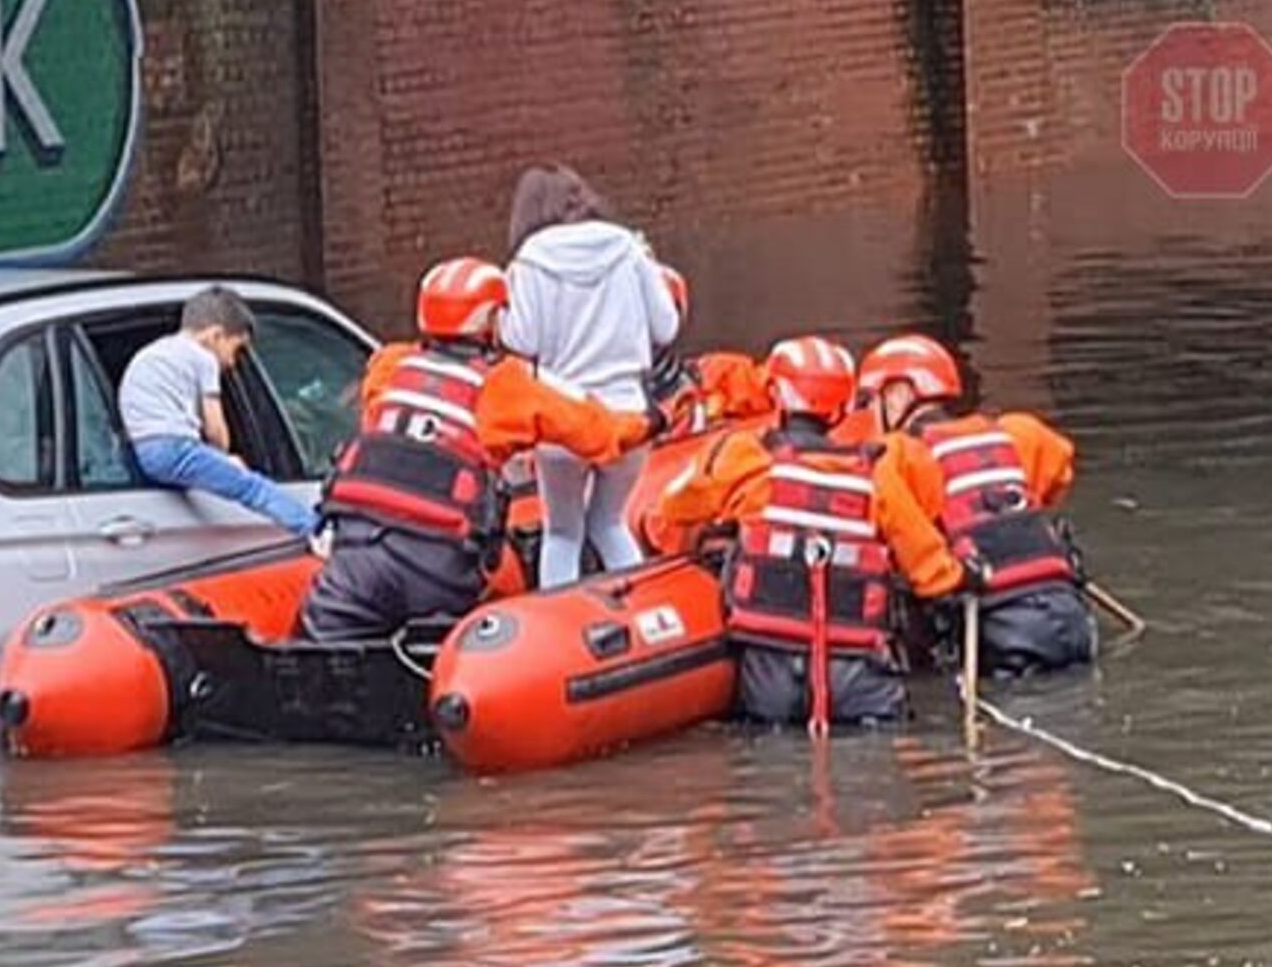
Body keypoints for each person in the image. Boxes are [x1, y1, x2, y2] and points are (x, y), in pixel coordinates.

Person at [300, 257, 668, 641]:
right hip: (436, 567)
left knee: (319, 642)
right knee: (453, 658)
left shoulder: (390, 366)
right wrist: (647, 423)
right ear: (492, 320)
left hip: (355, 552)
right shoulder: (502, 385)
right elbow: (594, 432)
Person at [646, 336, 978, 730]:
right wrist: (967, 575)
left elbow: (671, 508)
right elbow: (931, 573)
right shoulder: (876, 475)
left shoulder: (744, 460)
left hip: (770, 674)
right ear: (842, 407)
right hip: (856, 676)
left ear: (779, 397)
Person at [856, 334, 1094, 676]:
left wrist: (950, 576)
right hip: (1072, 616)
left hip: (1002, 631)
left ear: (897, 396)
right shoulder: (1015, 432)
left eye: (869, 401)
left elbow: (919, 557)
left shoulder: (896, 456)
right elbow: (1060, 469)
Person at [501, 164, 681, 588]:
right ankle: (636, 613)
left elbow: (521, 338)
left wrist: (499, 314)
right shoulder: (628, 248)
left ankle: (561, 627)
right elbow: (666, 327)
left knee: (562, 535)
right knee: (611, 524)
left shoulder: (529, 261)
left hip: (563, 421)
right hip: (627, 417)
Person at [120, 287, 318, 537]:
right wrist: (225, 458)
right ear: (215, 336)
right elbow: (215, 428)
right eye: (236, 349)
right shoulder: (203, 358)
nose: (233, 363)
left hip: (142, 450)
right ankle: (315, 529)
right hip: (174, 446)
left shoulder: (156, 352)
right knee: (252, 487)